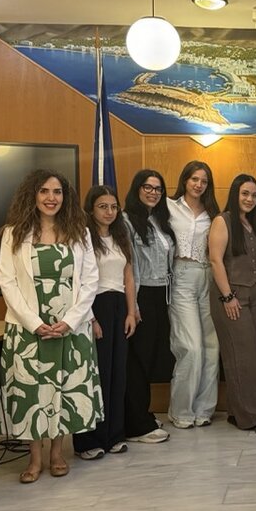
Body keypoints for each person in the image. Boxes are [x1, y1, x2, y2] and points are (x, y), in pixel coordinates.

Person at [0, 170, 102, 484]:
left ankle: (57, 454)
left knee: (64, 390)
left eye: (57, 192)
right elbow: (7, 282)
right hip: (28, 328)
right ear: (32, 195)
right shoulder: (14, 233)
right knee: (32, 394)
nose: (51, 198)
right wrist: (35, 323)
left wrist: (70, 321)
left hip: (70, 326)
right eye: (44, 191)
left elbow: (90, 281)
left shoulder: (80, 232)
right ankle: (34, 459)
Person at [208, 174, 256, 436]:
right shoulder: (222, 221)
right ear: (235, 194)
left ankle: (238, 412)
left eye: (254, 195)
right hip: (233, 297)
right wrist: (227, 297)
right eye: (245, 193)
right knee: (243, 355)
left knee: (252, 356)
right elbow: (215, 260)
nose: (250, 199)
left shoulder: (253, 223)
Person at [74, 186, 137, 461]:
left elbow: (129, 276)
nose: (109, 212)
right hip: (94, 306)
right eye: (103, 206)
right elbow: (79, 281)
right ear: (91, 209)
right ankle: (88, 440)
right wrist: (90, 317)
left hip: (119, 305)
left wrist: (131, 312)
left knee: (118, 374)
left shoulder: (121, 236)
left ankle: (114, 435)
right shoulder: (82, 238)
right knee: (96, 375)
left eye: (113, 206)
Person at [122, 170, 175, 444]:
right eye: (148, 187)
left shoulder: (159, 220)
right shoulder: (126, 221)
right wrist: (133, 306)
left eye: (158, 188)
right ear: (137, 189)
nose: (153, 192)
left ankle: (143, 414)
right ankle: (136, 425)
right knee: (138, 361)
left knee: (151, 358)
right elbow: (129, 266)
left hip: (160, 295)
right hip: (140, 295)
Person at [166, 161, 220, 429]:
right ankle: (181, 410)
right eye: (194, 179)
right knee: (191, 347)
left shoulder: (213, 213)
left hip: (208, 277)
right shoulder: (170, 207)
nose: (199, 185)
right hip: (182, 277)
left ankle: (204, 409)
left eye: (204, 181)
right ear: (185, 180)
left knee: (211, 347)